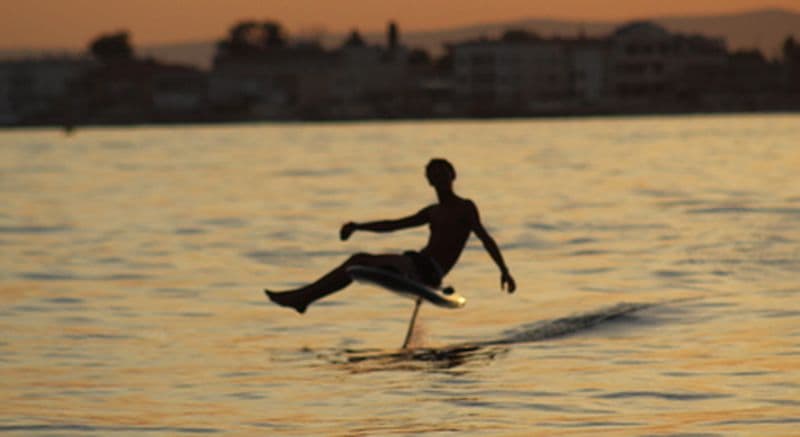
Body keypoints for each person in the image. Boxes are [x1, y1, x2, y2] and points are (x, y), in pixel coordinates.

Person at [265, 158, 516, 313]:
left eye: (444, 175)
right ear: (429, 182)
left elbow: (485, 238)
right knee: (356, 262)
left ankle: (302, 298)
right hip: (416, 263)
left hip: (430, 271)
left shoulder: (465, 207)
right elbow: (393, 225)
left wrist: (504, 270)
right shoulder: (433, 212)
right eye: (434, 177)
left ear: (453, 177)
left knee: (364, 260)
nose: (440, 181)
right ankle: (304, 298)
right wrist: (358, 226)